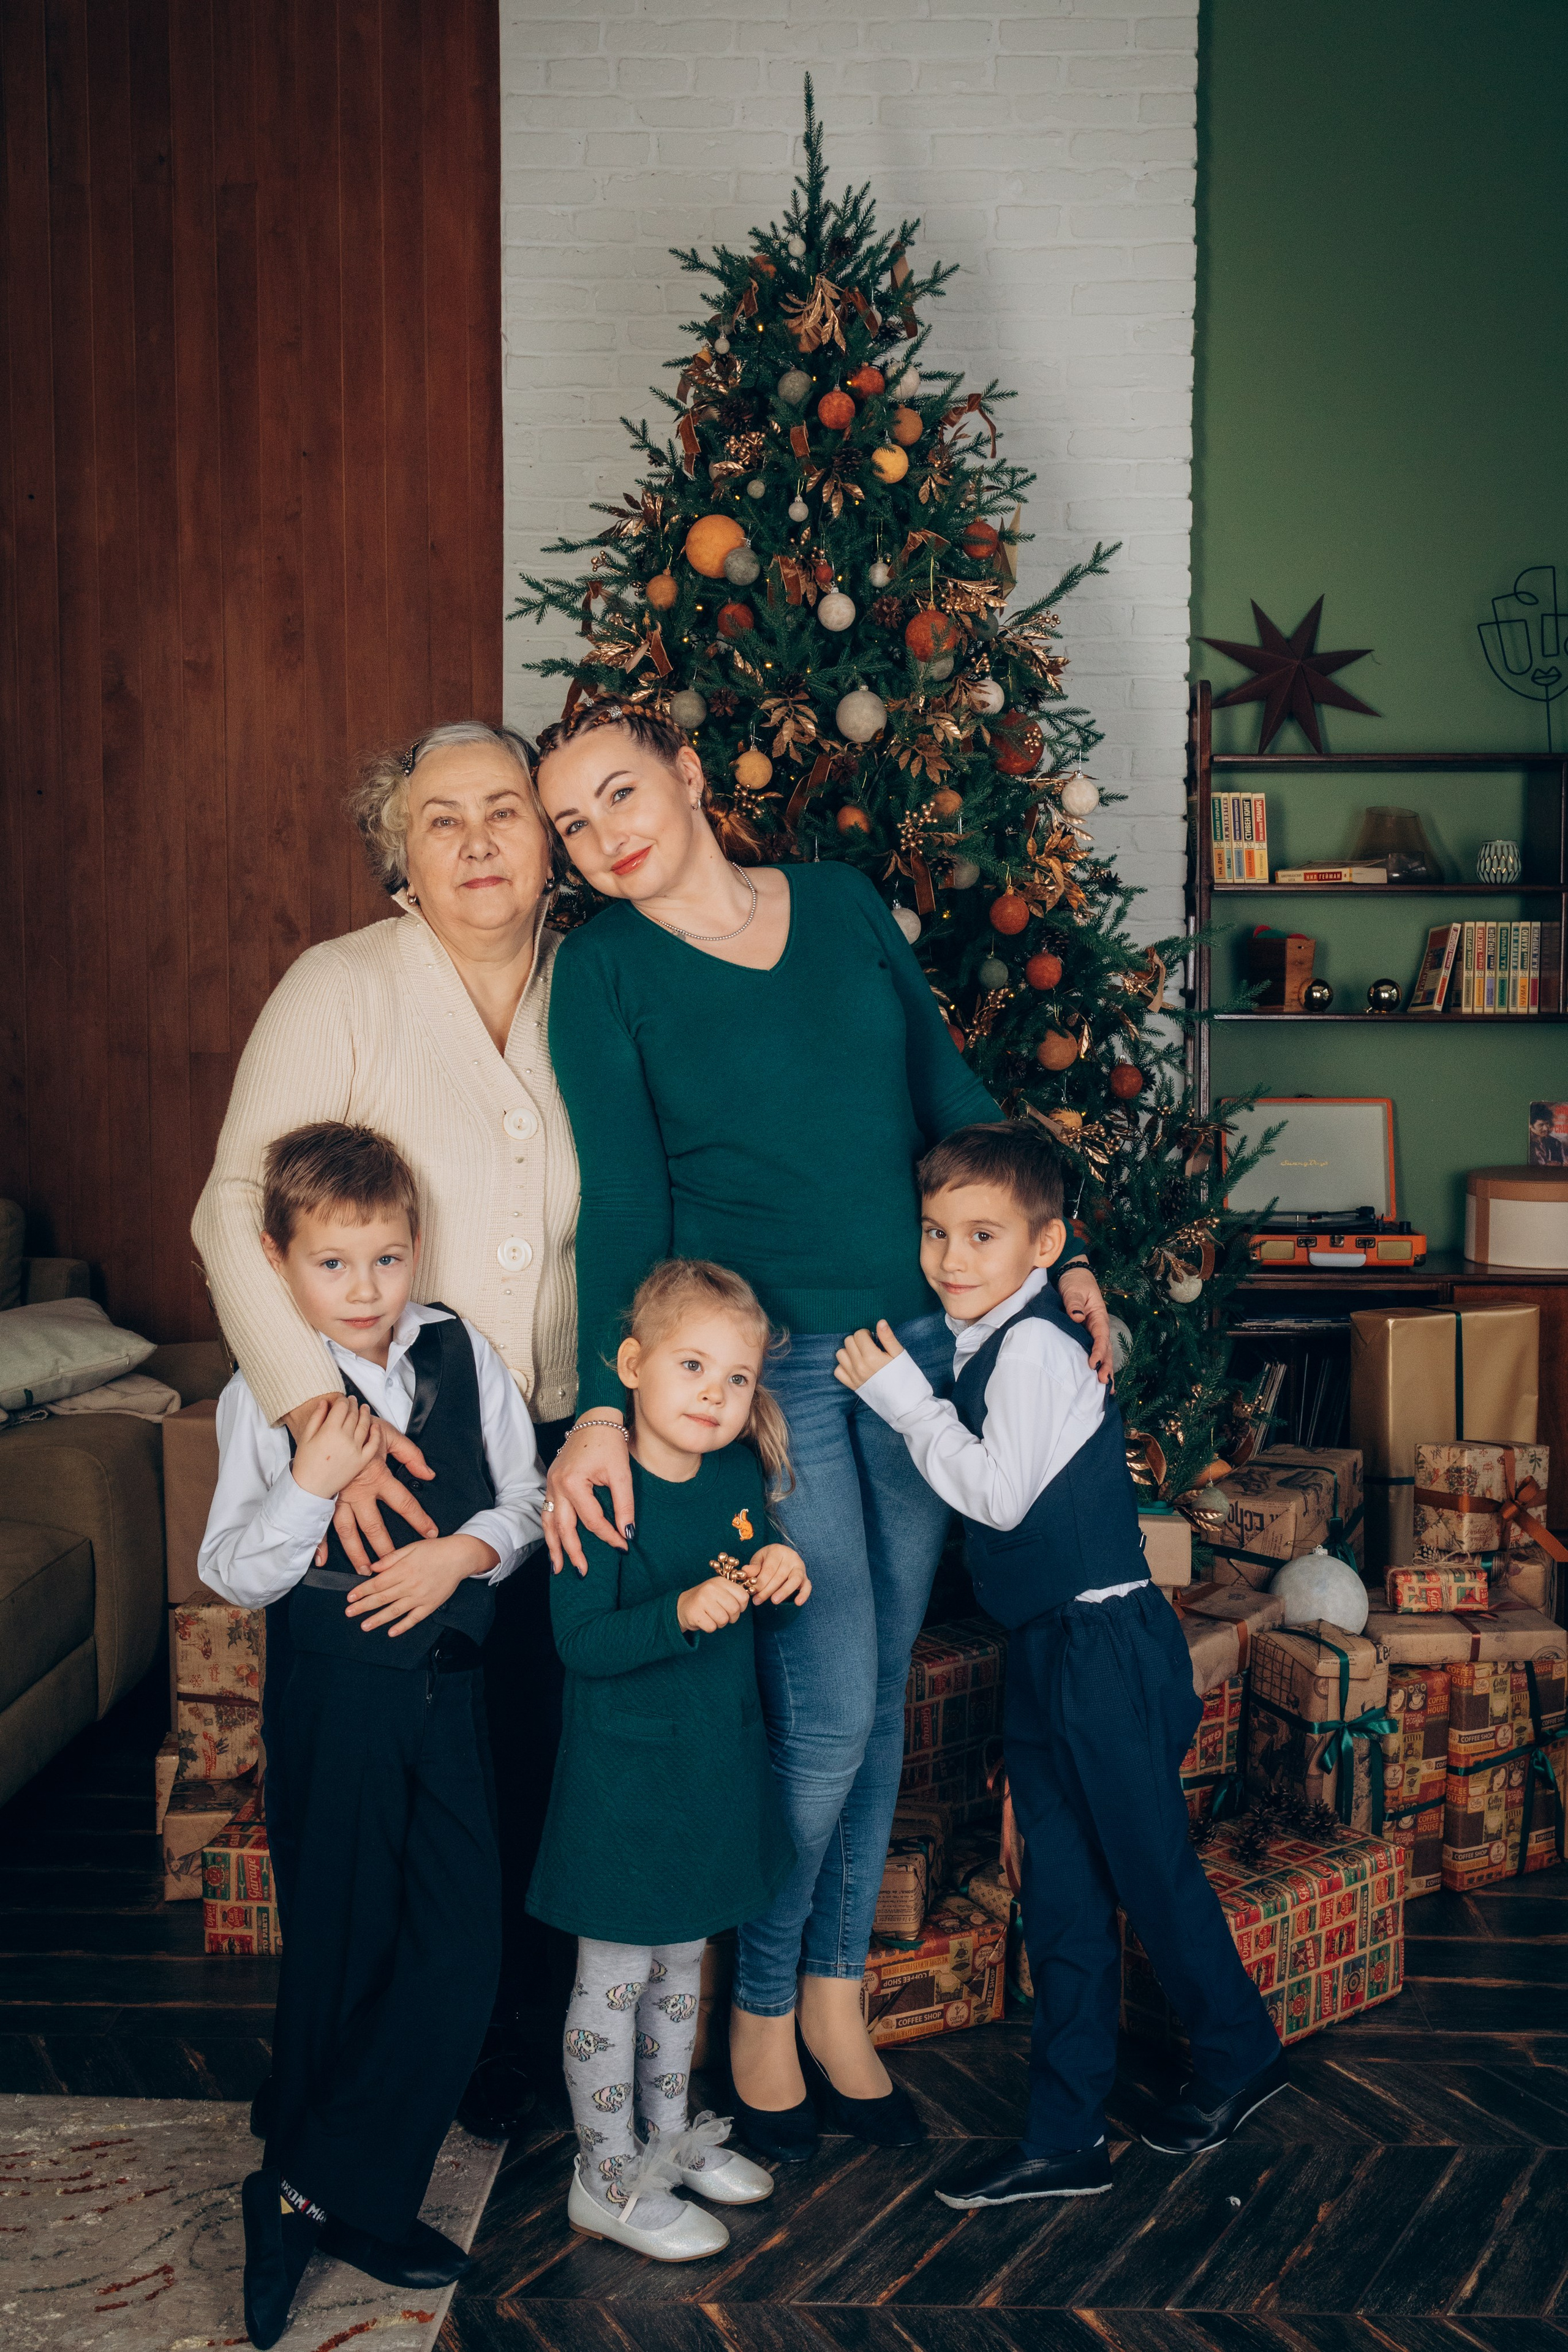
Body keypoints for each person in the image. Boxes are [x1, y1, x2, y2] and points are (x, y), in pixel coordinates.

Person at [533, 702, 1114, 2162]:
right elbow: (623, 1199)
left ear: (684, 773)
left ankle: (839, 1995)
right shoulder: (601, 969)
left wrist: (1062, 1260)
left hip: (912, 1346)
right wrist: (614, 1401)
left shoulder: (843, 904)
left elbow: (950, 1104)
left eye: (619, 792)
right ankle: (760, 2011)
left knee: (873, 1697)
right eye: (571, 825)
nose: (603, 835)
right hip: (766, 1376)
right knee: (825, 1708)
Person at [192, 720, 580, 2127]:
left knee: (538, 1751)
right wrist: (314, 1418)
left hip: (559, 1441)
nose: (478, 840)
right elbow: (233, 1211)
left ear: (549, 845)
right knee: (407, 1776)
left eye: (505, 812)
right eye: (441, 820)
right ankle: (367, 2082)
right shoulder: (341, 985)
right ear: (399, 857)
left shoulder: (587, 985)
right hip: (395, 1434)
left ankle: (510, 2061)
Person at [834, 1122, 1287, 2208]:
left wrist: (902, 1399)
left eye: (982, 1236)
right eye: (937, 1231)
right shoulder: (985, 1331)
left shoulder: (1034, 1346)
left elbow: (998, 1494)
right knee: (1064, 1893)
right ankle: (1065, 2131)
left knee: (1146, 1873)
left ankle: (1240, 2053)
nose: (951, 1257)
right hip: (1044, 1648)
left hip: (1105, 1648)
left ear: (1045, 1248)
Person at [197, 1122, 545, 2346]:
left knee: (459, 1953)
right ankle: (310, 2193)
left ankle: (323, 2179)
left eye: (386, 1260)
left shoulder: (465, 1352)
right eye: (334, 1266)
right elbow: (230, 1570)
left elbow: (526, 1500)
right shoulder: (267, 1394)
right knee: (344, 1947)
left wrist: (464, 1553)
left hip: (449, 1691)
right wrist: (305, 1487)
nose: (365, 1291)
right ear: (279, 1265)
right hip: (333, 1699)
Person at [527, 1260, 808, 2261]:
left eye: (737, 1378)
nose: (715, 1395)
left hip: (708, 1772)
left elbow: (746, 1553)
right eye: (693, 1366)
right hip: (625, 1786)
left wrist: (783, 1562)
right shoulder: (599, 1489)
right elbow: (580, 1642)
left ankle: (668, 2140)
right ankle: (603, 2176)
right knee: (612, 1984)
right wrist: (680, 1613)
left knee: (683, 1974)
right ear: (632, 1366)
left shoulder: (735, 1473)